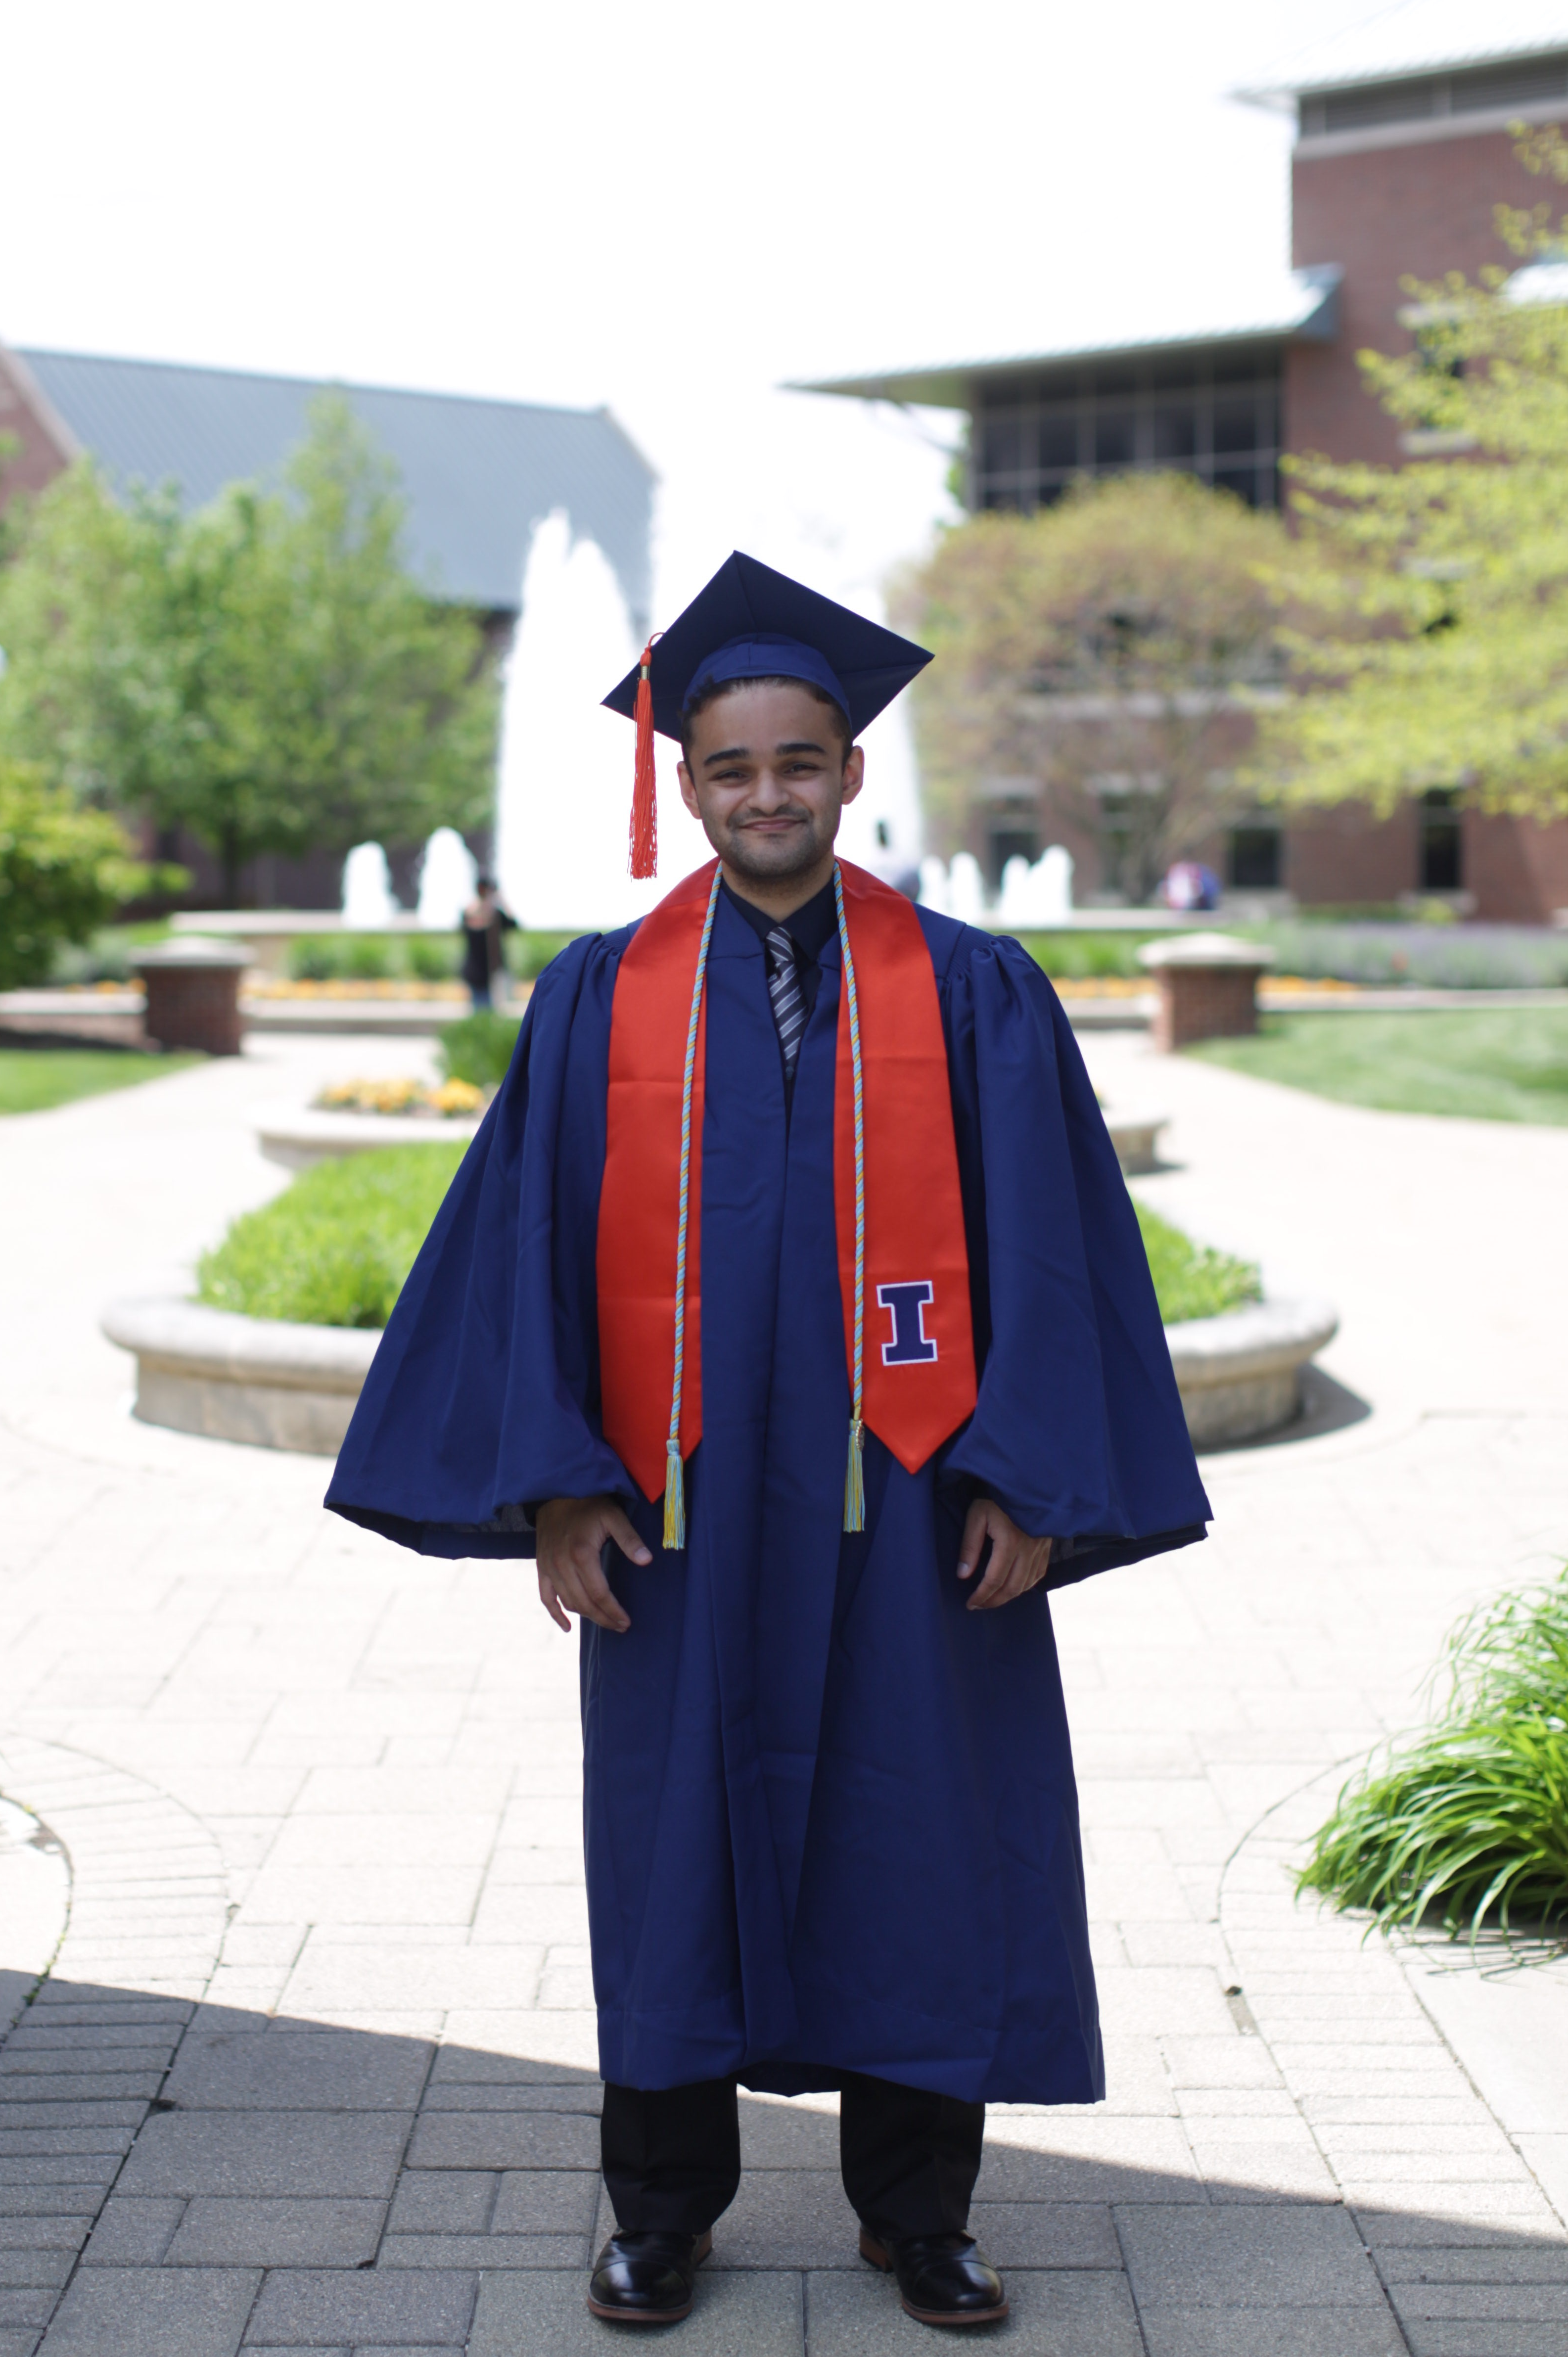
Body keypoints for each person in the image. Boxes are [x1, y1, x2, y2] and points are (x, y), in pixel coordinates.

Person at [328, 552, 1210, 2331]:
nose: (765, 795)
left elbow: (1049, 1247)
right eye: (729, 769)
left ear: (850, 773)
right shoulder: (595, 997)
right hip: (684, 1507)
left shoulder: (972, 990)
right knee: (671, 1841)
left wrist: (1031, 1478)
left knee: (930, 1834)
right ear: (688, 785)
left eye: (797, 762)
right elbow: (524, 1245)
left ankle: (919, 2207)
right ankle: (660, 2205)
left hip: (916, 1503)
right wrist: (564, 1482)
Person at [461, 874, 516, 1012]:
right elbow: (469, 929)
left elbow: (514, 925)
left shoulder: (497, 915)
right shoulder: (470, 912)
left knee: (495, 1011)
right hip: (477, 972)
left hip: (494, 970)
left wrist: (502, 903)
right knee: (481, 1012)